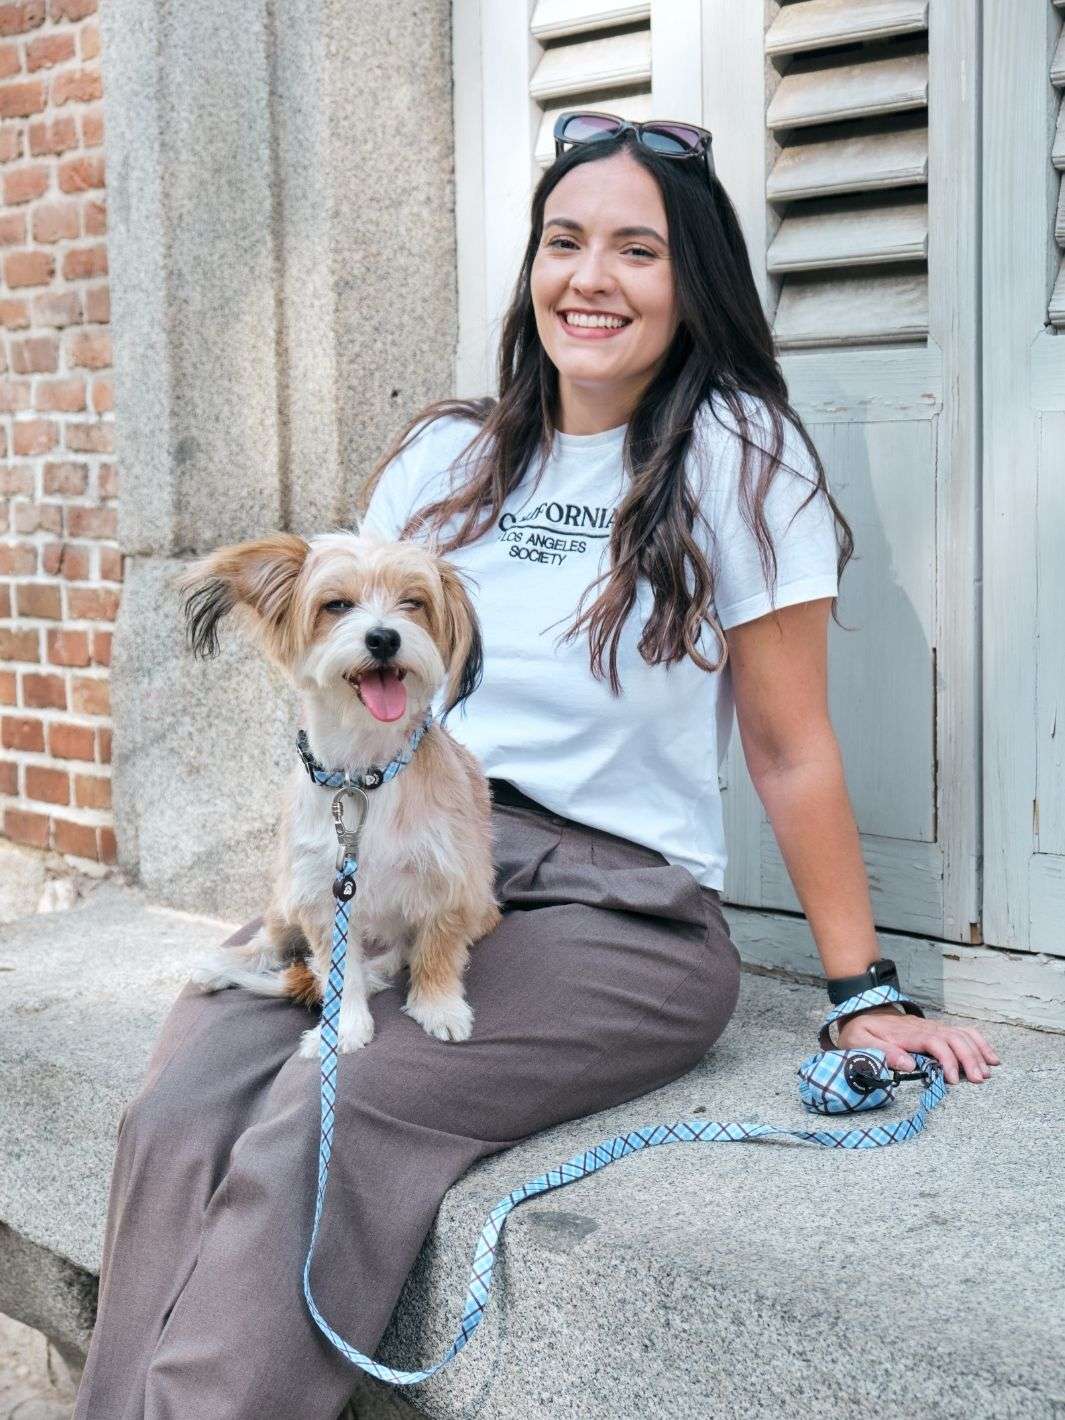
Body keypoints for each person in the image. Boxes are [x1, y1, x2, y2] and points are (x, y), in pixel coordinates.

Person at [74, 113, 999, 1419]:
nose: (588, 277)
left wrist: (863, 993)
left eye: (636, 249)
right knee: (181, 1100)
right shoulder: (444, 457)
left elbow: (789, 748)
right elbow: (345, 679)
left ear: (693, 283)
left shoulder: (740, 458)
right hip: (410, 856)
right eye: (563, 242)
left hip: (621, 919)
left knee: (321, 1121)